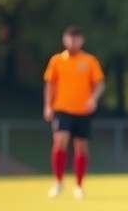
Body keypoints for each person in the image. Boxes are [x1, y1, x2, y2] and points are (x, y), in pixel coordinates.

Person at [43, 25, 105, 199]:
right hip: (62, 109)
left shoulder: (89, 61)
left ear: (81, 40)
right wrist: (48, 106)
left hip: (82, 111)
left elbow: (99, 83)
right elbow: (50, 84)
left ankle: (79, 185)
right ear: (64, 40)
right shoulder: (57, 61)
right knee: (60, 140)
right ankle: (58, 182)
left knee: (81, 147)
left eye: (76, 38)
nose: (73, 42)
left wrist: (93, 98)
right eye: (70, 38)